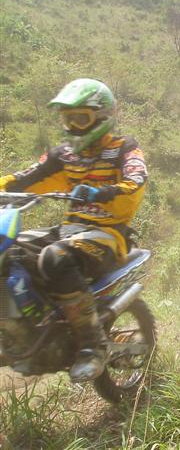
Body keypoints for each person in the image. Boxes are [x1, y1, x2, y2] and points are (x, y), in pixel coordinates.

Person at [0, 78, 147, 382]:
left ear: (103, 117)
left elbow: (136, 179)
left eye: (81, 118)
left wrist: (102, 192)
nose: (73, 127)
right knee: (10, 250)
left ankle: (92, 344)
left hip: (107, 234)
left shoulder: (124, 149)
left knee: (54, 258)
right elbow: (25, 178)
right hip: (69, 230)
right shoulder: (64, 155)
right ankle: (30, 328)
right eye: (67, 119)